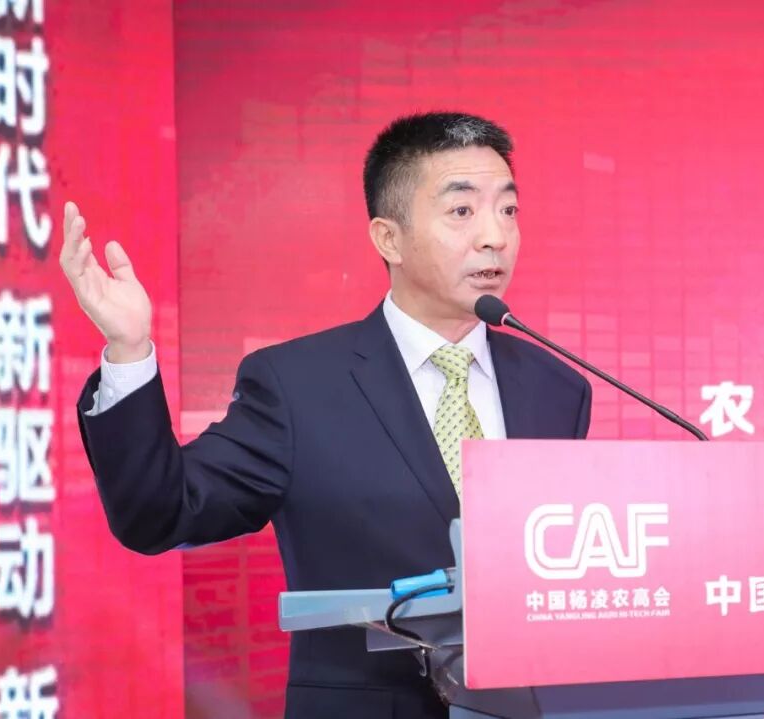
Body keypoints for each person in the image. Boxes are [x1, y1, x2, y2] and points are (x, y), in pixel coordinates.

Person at [60, 112, 592, 719]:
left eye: (509, 210)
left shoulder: (556, 388)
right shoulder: (297, 385)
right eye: (462, 211)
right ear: (388, 239)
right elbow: (160, 514)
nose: (495, 236)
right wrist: (129, 350)